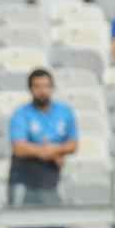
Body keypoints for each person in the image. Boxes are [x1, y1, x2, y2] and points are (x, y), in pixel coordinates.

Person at [9, 68, 78, 207]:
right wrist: (50, 153)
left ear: (52, 88)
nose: (42, 91)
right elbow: (18, 148)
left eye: (46, 86)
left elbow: (73, 144)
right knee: (23, 222)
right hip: (25, 175)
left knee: (55, 222)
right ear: (30, 89)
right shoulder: (21, 113)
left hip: (52, 176)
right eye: (37, 86)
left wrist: (53, 149)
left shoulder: (65, 112)